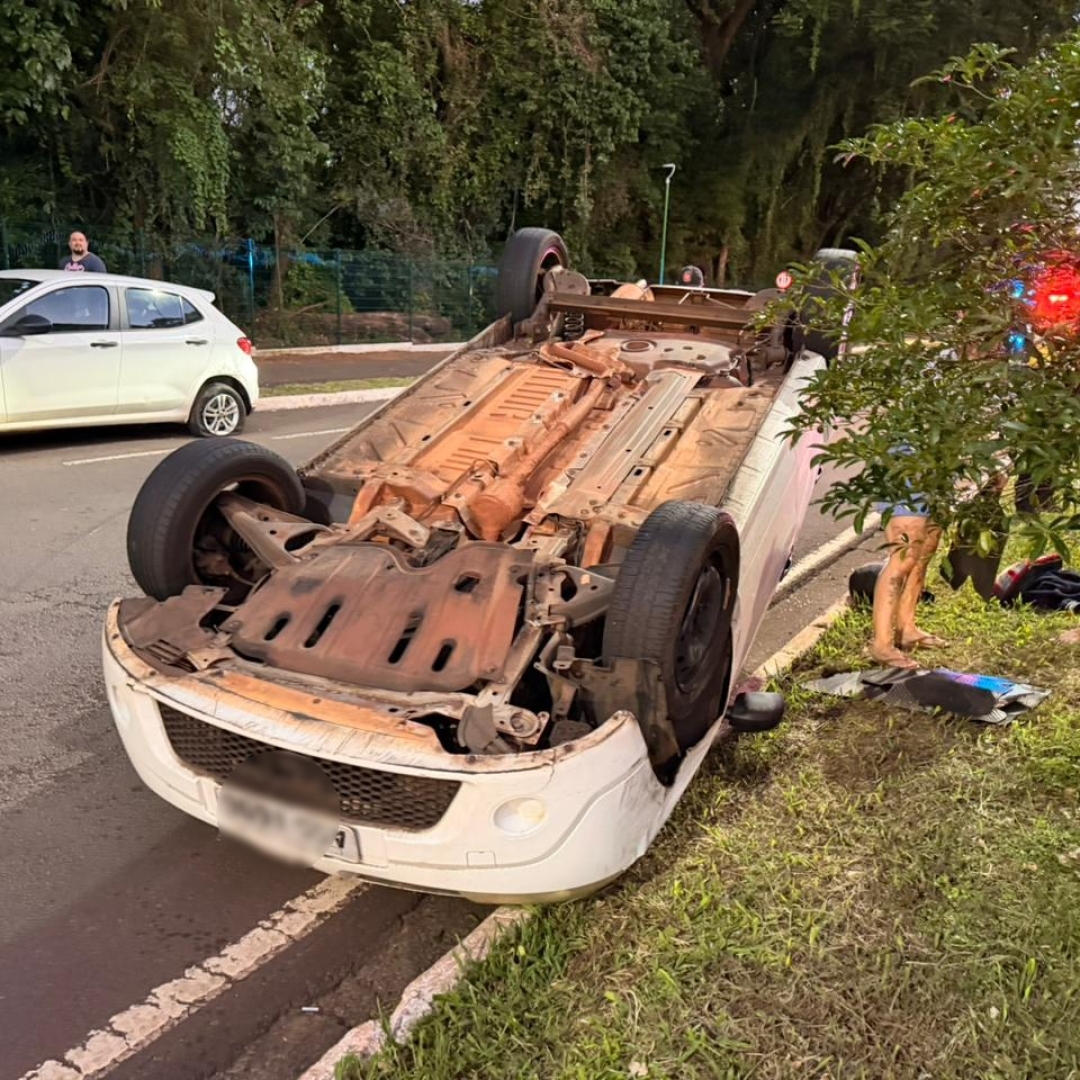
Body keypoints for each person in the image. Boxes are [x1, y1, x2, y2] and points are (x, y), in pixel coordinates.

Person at [870, 504, 948, 670]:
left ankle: (906, 629)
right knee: (904, 556)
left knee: (926, 548)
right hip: (909, 483)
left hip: (936, 483)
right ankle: (881, 645)